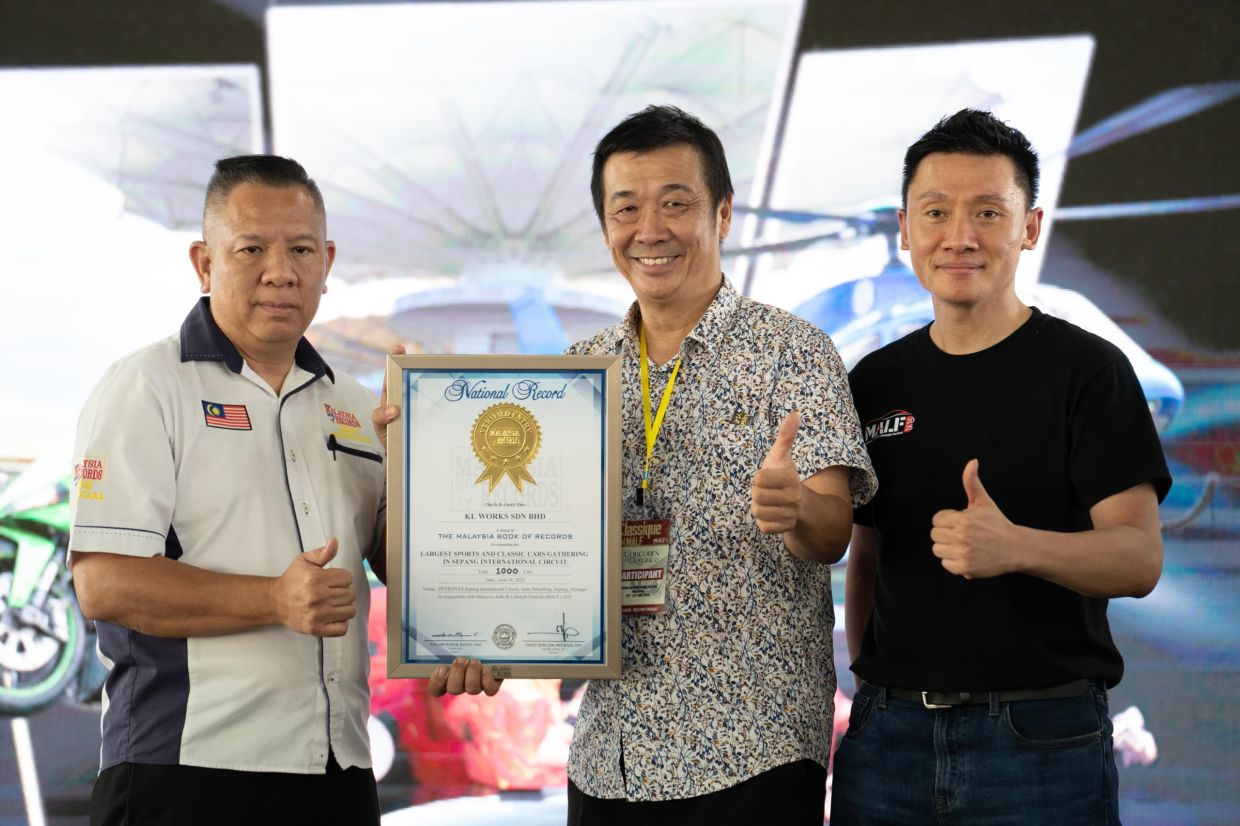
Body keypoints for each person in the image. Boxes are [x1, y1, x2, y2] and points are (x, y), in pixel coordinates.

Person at [67, 154, 469, 825]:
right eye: (251, 248)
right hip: (188, 775)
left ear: (327, 262)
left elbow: (399, 563)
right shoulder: (147, 388)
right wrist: (273, 599)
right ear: (204, 262)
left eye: (301, 249)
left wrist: (474, 634)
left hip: (337, 772)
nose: (279, 271)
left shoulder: (356, 405)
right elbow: (105, 583)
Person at [832, 109, 1171, 824]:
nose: (960, 236)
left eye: (988, 211)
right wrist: (876, 692)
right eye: (935, 212)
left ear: (1030, 227)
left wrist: (1013, 547)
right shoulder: (874, 381)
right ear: (904, 229)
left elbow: (1138, 558)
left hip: (1040, 744)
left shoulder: (1089, 373)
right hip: (888, 742)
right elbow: (867, 555)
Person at [557, 105, 875, 823]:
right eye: (626, 208)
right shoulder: (578, 371)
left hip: (751, 753)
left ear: (723, 215)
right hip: (611, 755)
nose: (650, 230)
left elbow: (832, 533)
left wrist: (795, 506)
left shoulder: (792, 353)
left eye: (676, 204)